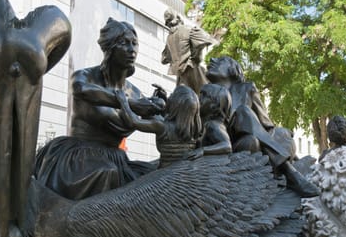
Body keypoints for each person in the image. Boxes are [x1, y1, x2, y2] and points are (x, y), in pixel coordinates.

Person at [34, 18, 165, 200]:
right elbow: (82, 90)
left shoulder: (136, 93)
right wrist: (132, 105)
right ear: (110, 47)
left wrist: (164, 107)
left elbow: (164, 125)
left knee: (158, 175)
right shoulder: (85, 77)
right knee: (106, 172)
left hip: (117, 160)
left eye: (134, 44)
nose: (131, 49)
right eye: (124, 43)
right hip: (79, 157)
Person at [206, 56, 319, 197]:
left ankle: (284, 169)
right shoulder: (205, 91)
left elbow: (266, 125)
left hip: (242, 145)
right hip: (220, 144)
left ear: (232, 69)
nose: (212, 60)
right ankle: (289, 172)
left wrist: (292, 154)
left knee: (250, 135)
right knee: (244, 111)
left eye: (220, 60)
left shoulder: (246, 89)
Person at [115, 85, 202, 168]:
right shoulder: (194, 130)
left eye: (172, 95)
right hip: (184, 171)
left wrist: (124, 102)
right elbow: (165, 118)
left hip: (165, 173)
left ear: (176, 104)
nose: (170, 97)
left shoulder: (162, 127)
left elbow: (134, 122)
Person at [161, 9, 215, 94]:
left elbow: (164, 59)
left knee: (184, 101)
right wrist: (196, 55)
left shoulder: (169, 38)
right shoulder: (188, 30)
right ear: (179, 18)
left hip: (181, 77)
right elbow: (207, 39)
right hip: (193, 70)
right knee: (206, 97)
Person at [187, 83, 232, 160]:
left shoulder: (212, 125)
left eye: (204, 95)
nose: (198, 98)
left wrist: (203, 150)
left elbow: (227, 145)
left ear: (214, 106)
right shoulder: (205, 123)